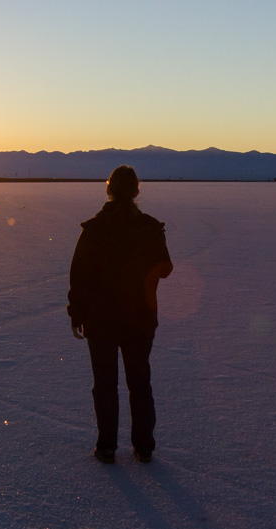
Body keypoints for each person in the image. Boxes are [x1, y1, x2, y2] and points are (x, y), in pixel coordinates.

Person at [67, 165, 173, 464]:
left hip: (101, 321)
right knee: (139, 381)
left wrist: (77, 313)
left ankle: (107, 447)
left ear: (108, 190)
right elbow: (165, 268)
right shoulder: (151, 228)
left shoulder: (94, 230)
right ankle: (144, 447)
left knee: (105, 383)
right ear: (136, 191)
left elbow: (79, 277)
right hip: (140, 318)